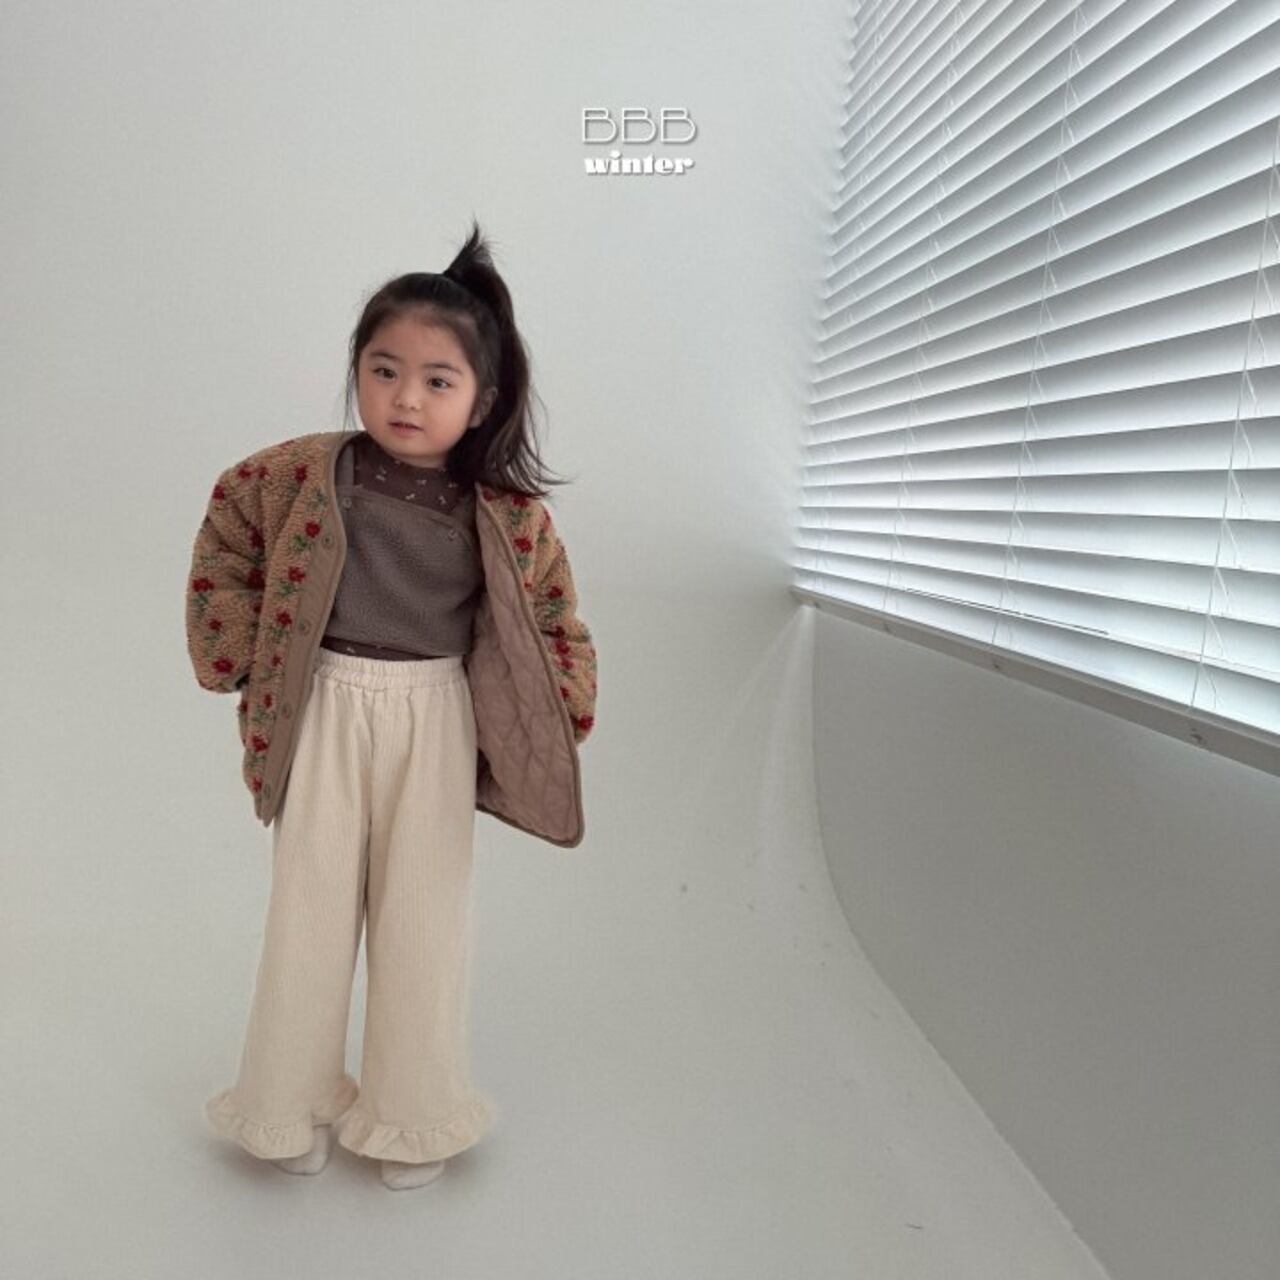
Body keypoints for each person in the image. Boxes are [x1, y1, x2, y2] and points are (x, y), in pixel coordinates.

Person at [185, 220, 598, 1191]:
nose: (406, 397)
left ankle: (414, 1113)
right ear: (357, 373)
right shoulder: (299, 473)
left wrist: (560, 708)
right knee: (308, 915)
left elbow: (553, 617)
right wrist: (238, 647)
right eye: (384, 371)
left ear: (481, 399)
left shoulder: (507, 514)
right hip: (322, 707)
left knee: (425, 923)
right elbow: (227, 527)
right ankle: (285, 1103)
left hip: (436, 719)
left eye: (436, 380)